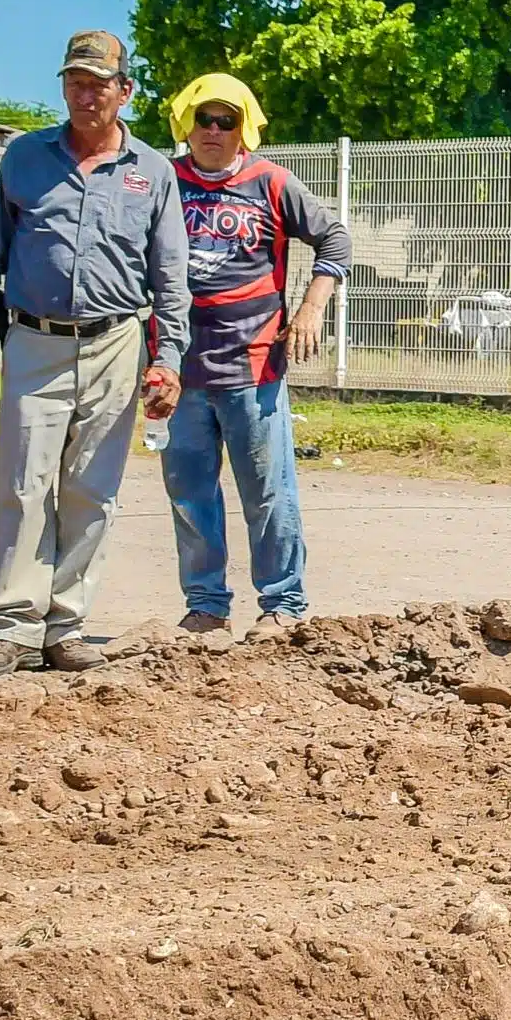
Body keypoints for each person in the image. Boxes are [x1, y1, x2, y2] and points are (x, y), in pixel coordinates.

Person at [0, 31, 188, 674]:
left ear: (125, 91)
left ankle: (66, 625)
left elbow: (170, 280)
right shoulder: (25, 158)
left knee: (92, 489)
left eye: (99, 83)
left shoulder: (152, 172)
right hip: (34, 341)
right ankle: (13, 626)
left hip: (116, 343)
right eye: (75, 82)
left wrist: (168, 359)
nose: (86, 95)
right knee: (24, 484)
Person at [157, 70, 348, 634]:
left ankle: (283, 607)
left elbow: (335, 238)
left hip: (253, 363)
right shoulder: (163, 183)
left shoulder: (272, 183)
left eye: (227, 120)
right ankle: (206, 607)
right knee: (190, 496)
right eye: (204, 119)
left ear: (245, 130)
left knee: (268, 495)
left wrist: (312, 306)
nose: (213, 130)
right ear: (186, 124)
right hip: (180, 369)